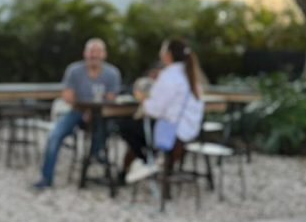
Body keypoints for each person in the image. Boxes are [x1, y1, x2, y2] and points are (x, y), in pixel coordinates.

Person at [33, 38, 122, 189]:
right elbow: (68, 96)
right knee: (55, 135)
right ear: (85, 53)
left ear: (104, 54)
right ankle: (46, 178)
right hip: (76, 111)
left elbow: (111, 98)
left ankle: (94, 157)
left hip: (100, 115)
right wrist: (84, 109)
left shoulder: (112, 73)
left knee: (107, 126)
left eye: (97, 52)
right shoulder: (74, 71)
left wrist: (92, 110)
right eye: (91, 51)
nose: (94, 55)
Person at [120, 38, 204, 180]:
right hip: (190, 131)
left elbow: (155, 110)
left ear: (168, 54)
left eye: (162, 50)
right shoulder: (191, 75)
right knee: (138, 129)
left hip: (172, 132)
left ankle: (147, 161)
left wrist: (142, 99)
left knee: (124, 126)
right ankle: (147, 160)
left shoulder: (169, 75)